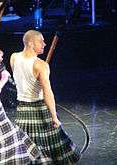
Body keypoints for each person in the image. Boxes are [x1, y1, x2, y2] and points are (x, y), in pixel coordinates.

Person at [10, 30, 81, 164]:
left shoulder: (14, 57)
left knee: (26, 144)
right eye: (41, 41)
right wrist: (54, 117)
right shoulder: (41, 65)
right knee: (49, 144)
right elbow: (48, 92)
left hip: (22, 108)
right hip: (38, 108)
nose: (44, 44)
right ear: (31, 43)